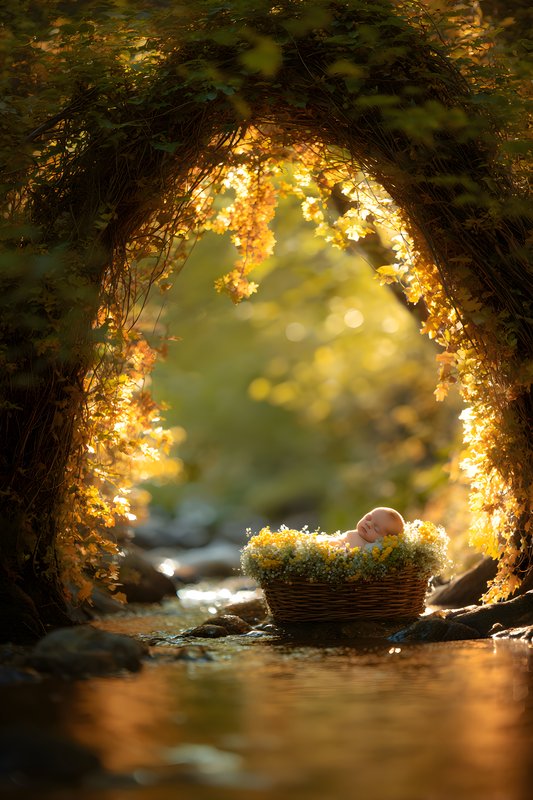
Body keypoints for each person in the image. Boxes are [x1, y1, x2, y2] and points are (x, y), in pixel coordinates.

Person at [318, 507, 405, 550]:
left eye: (376, 528)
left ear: (384, 540)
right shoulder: (356, 534)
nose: (368, 524)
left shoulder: (371, 548)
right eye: (368, 518)